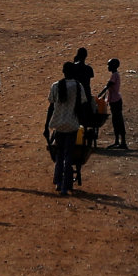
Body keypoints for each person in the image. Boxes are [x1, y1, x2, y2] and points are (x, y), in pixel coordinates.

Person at [45, 63, 85, 195]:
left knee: (59, 155)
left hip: (58, 125)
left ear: (63, 71)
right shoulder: (78, 86)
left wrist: (46, 125)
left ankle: (58, 182)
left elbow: (51, 107)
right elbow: (82, 105)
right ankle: (66, 185)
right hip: (72, 125)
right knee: (68, 156)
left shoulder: (55, 86)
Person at [102, 59, 127, 150]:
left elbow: (107, 86)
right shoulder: (115, 75)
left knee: (118, 121)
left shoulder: (114, 75)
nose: (108, 67)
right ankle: (119, 141)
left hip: (115, 101)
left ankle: (121, 142)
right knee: (116, 121)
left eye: (109, 65)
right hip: (114, 101)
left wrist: (99, 96)